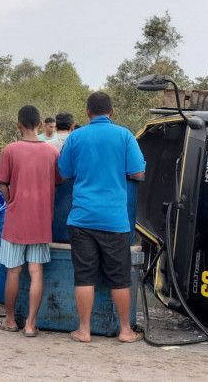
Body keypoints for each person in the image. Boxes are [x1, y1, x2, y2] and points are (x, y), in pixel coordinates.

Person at [58, 91, 146, 343]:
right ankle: (125, 330)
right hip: (115, 221)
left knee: (84, 276)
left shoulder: (76, 136)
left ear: (87, 113)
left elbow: (64, 173)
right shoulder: (124, 135)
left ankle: (83, 330)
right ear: (112, 112)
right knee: (119, 278)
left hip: (82, 219)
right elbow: (138, 172)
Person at [0, 105, 61, 337]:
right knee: (36, 272)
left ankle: (11, 320)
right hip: (42, 220)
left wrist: (11, 201)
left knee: (13, 272)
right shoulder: (53, 152)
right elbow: (56, 184)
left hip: (15, 220)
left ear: (18, 125)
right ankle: (31, 324)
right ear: (41, 124)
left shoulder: (10, 150)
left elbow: (2, 183)